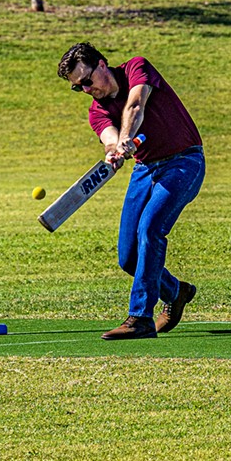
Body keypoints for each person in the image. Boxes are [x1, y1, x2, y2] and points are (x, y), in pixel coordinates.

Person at [57, 43, 205, 340]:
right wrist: (114, 149)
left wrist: (126, 136)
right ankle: (176, 292)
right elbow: (108, 137)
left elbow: (136, 104)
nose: (86, 89)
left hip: (184, 161)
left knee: (150, 229)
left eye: (87, 80)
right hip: (144, 169)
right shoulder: (96, 112)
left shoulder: (137, 67)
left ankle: (140, 318)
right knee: (128, 257)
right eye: (78, 87)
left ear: (102, 64)